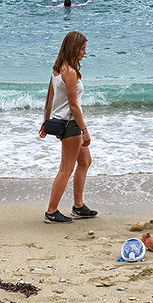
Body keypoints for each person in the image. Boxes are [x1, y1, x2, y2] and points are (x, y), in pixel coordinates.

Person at [38, 30, 97, 223]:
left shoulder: (57, 69)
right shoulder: (69, 73)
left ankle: (78, 206)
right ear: (73, 48)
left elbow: (50, 97)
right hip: (70, 125)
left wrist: (45, 120)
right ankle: (51, 212)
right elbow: (73, 105)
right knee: (66, 169)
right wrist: (85, 130)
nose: (84, 53)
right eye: (82, 49)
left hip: (65, 122)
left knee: (85, 161)